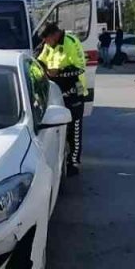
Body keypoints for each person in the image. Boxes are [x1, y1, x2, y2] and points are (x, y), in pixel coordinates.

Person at [37, 22, 87, 175]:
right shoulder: (48, 45)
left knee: (74, 128)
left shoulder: (71, 42)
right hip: (56, 93)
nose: (46, 43)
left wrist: (58, 72)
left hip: (74, 92)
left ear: (54, 35)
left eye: (47, 39)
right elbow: (40, 61)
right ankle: (61, 158)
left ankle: (74, 162)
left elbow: (80, 68)